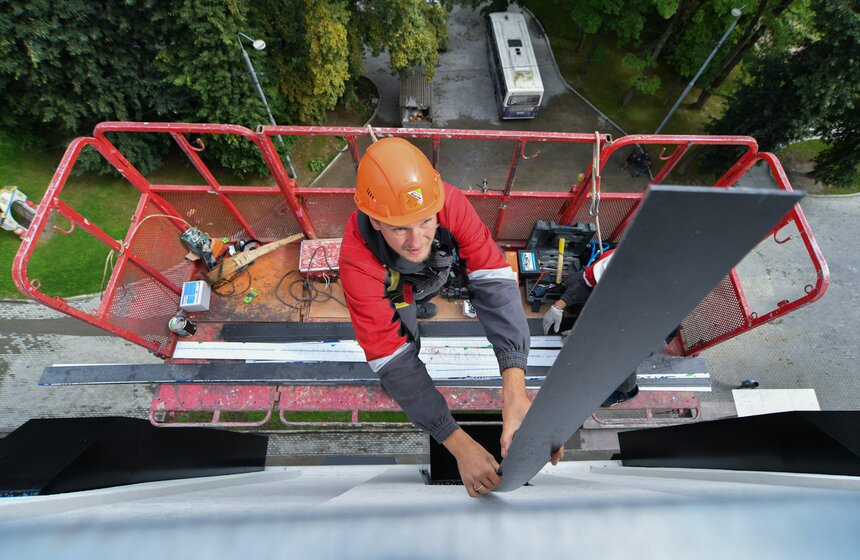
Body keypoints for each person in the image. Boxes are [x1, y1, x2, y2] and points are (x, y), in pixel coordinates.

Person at [339, 138, 563, 498]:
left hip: (432, 276)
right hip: (397, 291)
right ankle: (416, 309)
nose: (416, 240)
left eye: (425, 221)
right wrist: (456, 442)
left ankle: (423, 298)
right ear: (375, 221)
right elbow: (392, 357)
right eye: (399, 228)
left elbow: (494, 282)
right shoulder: (357, 263)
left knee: (440, 289)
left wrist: (515, 390)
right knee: (404, 342)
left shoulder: (448, 202)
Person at [542, 249, 640, 406]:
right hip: (619, 303)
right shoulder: (615, 257)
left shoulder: (645, 301)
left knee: (620, 351)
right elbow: (586, 283)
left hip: (644, 331)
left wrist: (587, 339)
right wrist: (558, 306)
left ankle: (626, 391)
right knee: (572, 282)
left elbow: (622, 331)